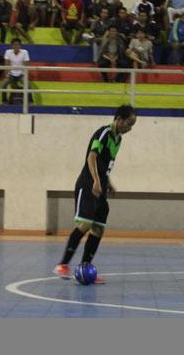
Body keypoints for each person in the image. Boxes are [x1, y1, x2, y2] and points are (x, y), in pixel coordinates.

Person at [53, 105, 137, 282]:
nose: (130, 128)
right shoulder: (104, 133)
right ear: (118, 119)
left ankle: (85, 268)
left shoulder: (118, 139)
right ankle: (62, 265)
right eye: (129, 123)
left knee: (98, 228)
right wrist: (97, 181)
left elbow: (104, 163)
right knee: (85, 224)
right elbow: (92, 157)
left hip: (101, 186)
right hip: (88, 184)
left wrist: (108, 183)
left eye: (132, 125)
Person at [1, 38, 30, 104]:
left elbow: (26, 65)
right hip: (11, 74)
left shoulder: (25, 52)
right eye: (14, 45)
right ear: (12, 45)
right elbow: (7, 64)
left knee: (28, 85)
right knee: (3, 85)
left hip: (21, 74)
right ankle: (4, 101)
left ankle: (30, 101)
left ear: (20, 45)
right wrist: (7, 75)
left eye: (18, 44)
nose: (16, 46)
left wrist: (24, 76)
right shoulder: (8, 52)